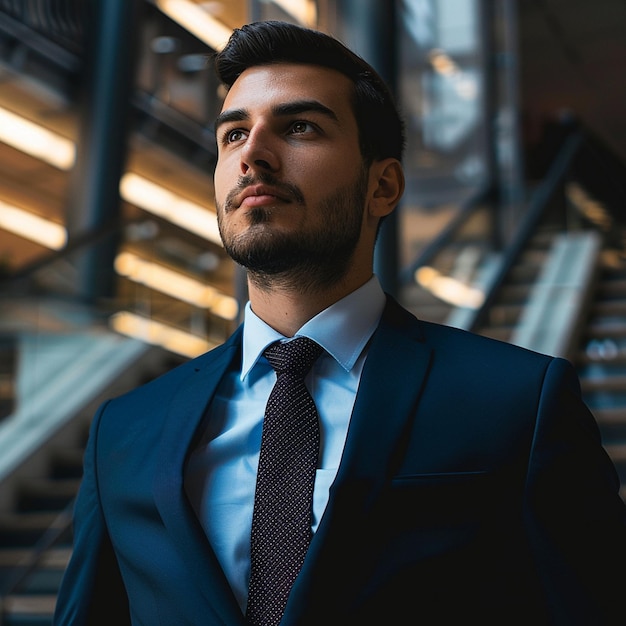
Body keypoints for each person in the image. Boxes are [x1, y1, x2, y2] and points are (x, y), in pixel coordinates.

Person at [54, 20, 626, 626]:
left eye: (299, 127)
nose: (253, 154)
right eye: (233, 134)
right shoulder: (124, 429)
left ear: (383, 186)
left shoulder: (518, 403)